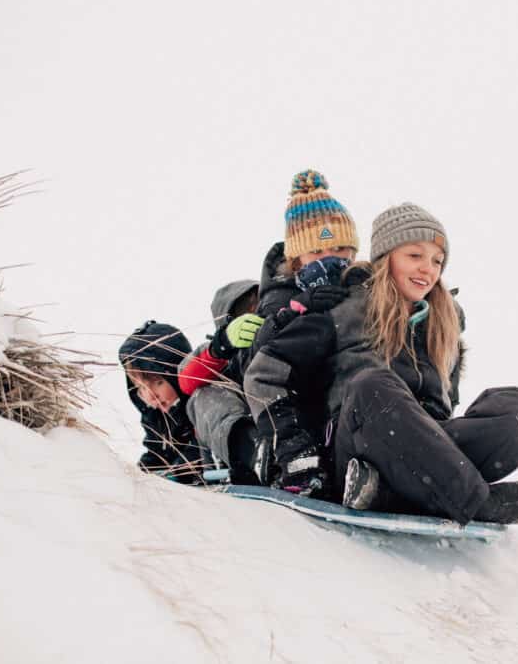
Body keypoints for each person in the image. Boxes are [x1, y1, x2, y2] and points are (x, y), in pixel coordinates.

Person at [244, 202, 518, 525]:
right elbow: (265, 375)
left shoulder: (443, 326)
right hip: (357, 449)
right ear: (385, 257)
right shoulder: (343, 307)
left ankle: (391, 494)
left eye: (437, 260)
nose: (428, 269)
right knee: (372, 386)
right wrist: (296, 451)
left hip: (424, 450)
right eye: (415, 256)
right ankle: (479, 504)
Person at [237, 169, 361, 495]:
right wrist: (293, 310)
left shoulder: (360, 289)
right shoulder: (278, 296)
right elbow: (255, 363)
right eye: (317, 252)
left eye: (339, 250)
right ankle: (295, 461)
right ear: (297, 260)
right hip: (294, 409)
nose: (330, 260)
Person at [177, 280, 269, 484]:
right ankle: (253, 453)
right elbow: (186, 380)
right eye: (246, 313)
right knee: (203, 396)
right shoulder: (222, 357)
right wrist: (222, 347)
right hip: (240, 450)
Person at [118, 320, 211, 485]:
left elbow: (202, 447)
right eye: (141, 388)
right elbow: (157, 454)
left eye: (158, 382)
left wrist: (179, 470)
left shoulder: (201, 402)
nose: (151, 395)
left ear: (176, 374)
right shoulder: (155, 417)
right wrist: (141, 476)